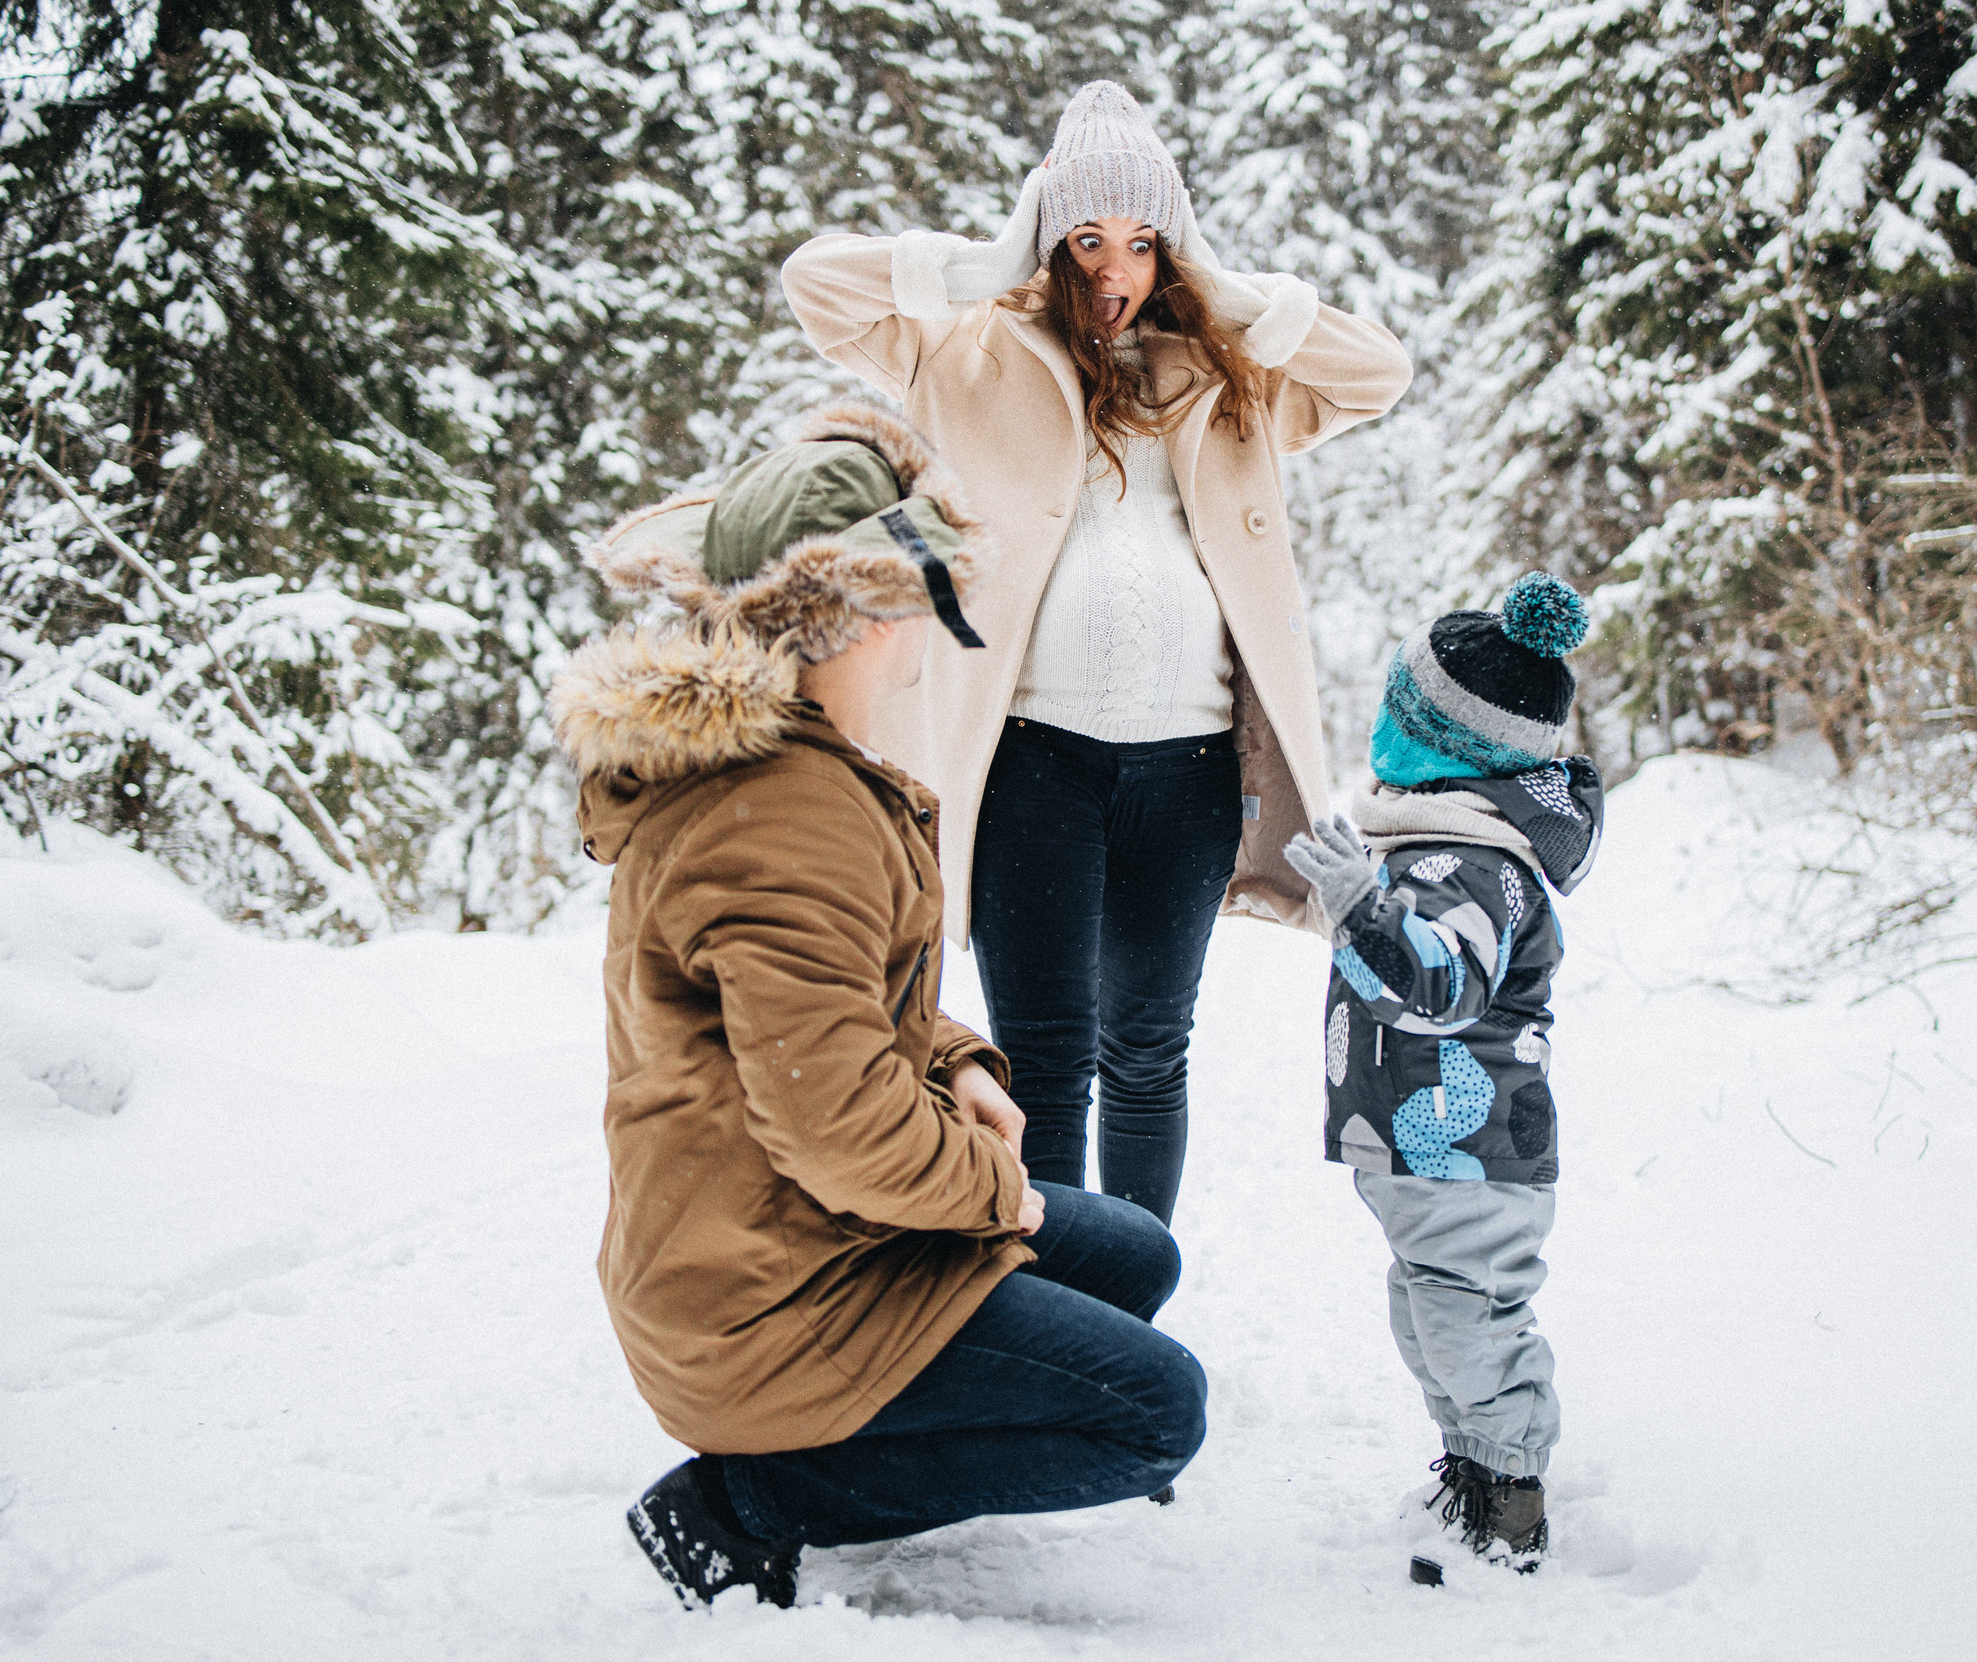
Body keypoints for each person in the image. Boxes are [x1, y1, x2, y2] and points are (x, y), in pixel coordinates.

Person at [550, 399, 1205, 1611]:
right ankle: (753, 1500)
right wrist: (995, 1189)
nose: (931, 620)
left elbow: (845, 1016)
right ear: (853, 612)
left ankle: (866, 1422)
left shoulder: (795, 775)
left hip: (786, 1233)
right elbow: (836, 1127)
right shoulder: (783, 815)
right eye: (916, 584)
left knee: (1133, 1257)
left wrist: (959, 1066)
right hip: (768, 1298)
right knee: (1154, 1413)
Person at [780, 80, 1412, 1226]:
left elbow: (1378, 373)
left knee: (1149, 1052)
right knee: (1041, 1059)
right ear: (1049, 240)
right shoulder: (968, 355)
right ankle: (1049, 1301)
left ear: (1173, 248)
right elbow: (813, 284)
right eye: (1086, 238)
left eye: (1140, 240)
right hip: (1031, 766)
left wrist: (1225, 287)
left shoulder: (1233, 377)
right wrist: (980, 265)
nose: (1113, 268)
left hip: (1188, 766)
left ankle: (1131, 1305)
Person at [1279, 572, 1605, 1578]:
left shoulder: (1480, 868)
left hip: (1471, 1151)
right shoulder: (1438, 847)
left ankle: (1511, 1495)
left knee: (1469, 1319)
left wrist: (1356, 906)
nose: (1382, 725)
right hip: (1425, 1151)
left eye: (1399, 710)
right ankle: (1471, 1465)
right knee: (1431, 1316)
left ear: (1448, 743)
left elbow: (1440, 989)